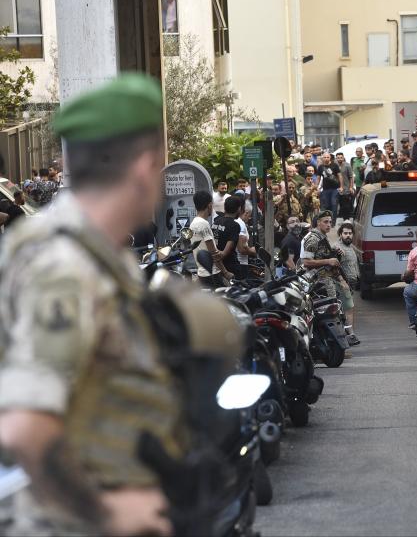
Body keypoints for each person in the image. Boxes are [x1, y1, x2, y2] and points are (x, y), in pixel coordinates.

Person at [0, 74, 187, 535]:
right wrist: (107, 513)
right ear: (145, 166)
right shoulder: (64, 268)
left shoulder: (97, 257)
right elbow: (25, 427)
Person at [301, 211, 351, 303]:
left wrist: (334, 251)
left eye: (330, 222)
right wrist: (328, 261)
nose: (329, 225)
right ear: (318, 222)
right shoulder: (313, 239)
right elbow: (306, 262)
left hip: (328, 278)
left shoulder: (322, 236)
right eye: (325, 222)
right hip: (319, 281)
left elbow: (321, 254)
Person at [191, 190, 232, 288]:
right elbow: (213, 253)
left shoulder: (193, 223)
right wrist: (226, 273)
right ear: (209, 205)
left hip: (202, 273)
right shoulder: (204, 224)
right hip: (212, 274)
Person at [336, 222, 360, 346]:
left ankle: (347, 335)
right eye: (345, 233)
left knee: (347, 309)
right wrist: (342, 281)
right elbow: (334, 267)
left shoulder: (350, 247)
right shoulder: (337, 248)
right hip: (342, 284)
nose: (348, 235)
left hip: (351, 284)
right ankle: (351, 335)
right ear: (340, 234)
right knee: (348, 309)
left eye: (350, 233)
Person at [213, 194, 245, 279]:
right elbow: (225, 253)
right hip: (230, 268)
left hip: (216, 267)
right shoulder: (234, 225)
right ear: (239, 208)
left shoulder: (216, 222)